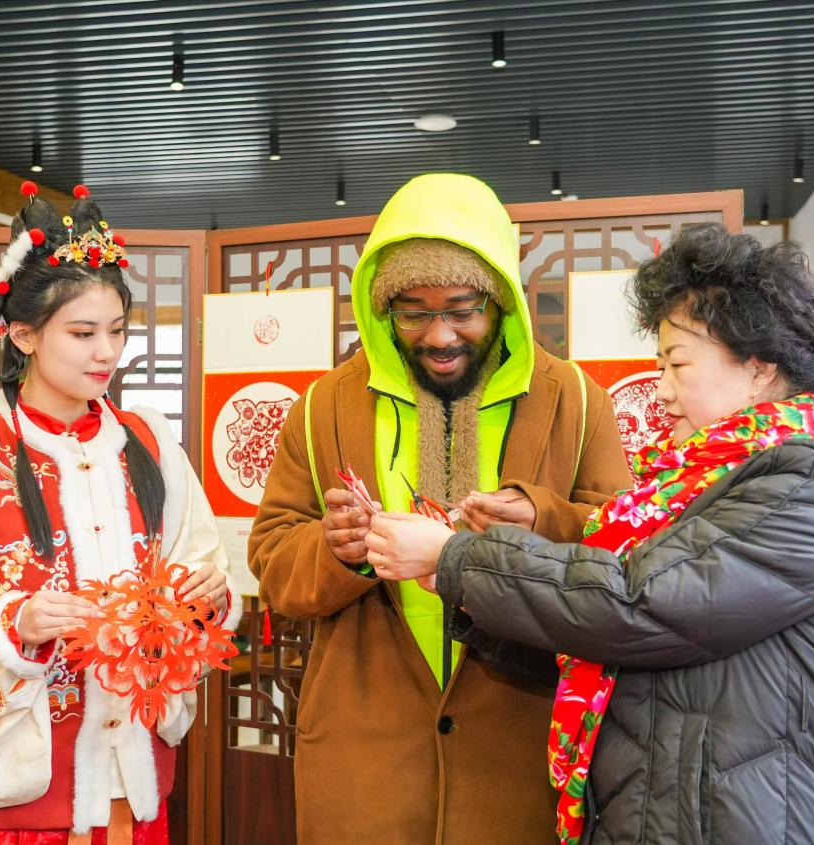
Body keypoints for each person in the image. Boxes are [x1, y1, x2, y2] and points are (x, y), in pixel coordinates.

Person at [364, 223, 814, 845]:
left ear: (757, 369)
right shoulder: (692, 484)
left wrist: (461, 558)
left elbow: (640, 604)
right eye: (658, 365)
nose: (662, 391)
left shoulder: (812, 487)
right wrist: (458, 586)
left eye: (677, 364)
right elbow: (597, 640)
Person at [248, 173, 630, 843]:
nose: (439, 334)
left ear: (502, 300)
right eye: (412, 311)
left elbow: (623, 549)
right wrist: (336, 550)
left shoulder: (574, 398)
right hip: (363, 763)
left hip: (521, 748)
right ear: (381, 307)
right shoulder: (320, 408)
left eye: (462, 308)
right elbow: (274, 563)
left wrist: (539, 518)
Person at [0, 182, 239, 843]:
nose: (106, 352)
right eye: (83, 332)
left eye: (118, 331)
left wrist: (203, 600)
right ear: (24, 333)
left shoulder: (148, 442)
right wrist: (13, 622)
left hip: (129, 777)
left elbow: (198, 566)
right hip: (7, 797)